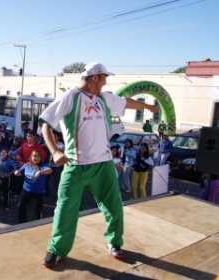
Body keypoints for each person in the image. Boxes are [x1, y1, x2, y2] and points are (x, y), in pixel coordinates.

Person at [39, 62, 158, 266]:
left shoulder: (104, 98)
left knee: (114, 206)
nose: (105, 82)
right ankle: (56, 249)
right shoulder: (70, 97)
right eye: (104, 78)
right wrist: (55, 151)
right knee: (65, 209)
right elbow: (45, 125)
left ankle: (114, 242)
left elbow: (126, 102)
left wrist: (147, 106)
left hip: (103, 164)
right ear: (95, 77)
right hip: (75, 165)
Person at [14, 150, 52, 224]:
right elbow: (19, 173)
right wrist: (16, 172)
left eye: (38, 157)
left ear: (40, 158)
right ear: (31, 157)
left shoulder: (43, 166)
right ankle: (22, 223)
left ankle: (36, 225)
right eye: (34, 156)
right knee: (20, 206)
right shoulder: (27, 165)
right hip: (26, 191)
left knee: (37, 211)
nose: (36, 158)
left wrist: (40, 172)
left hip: (38, 193)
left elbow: (50, 170)